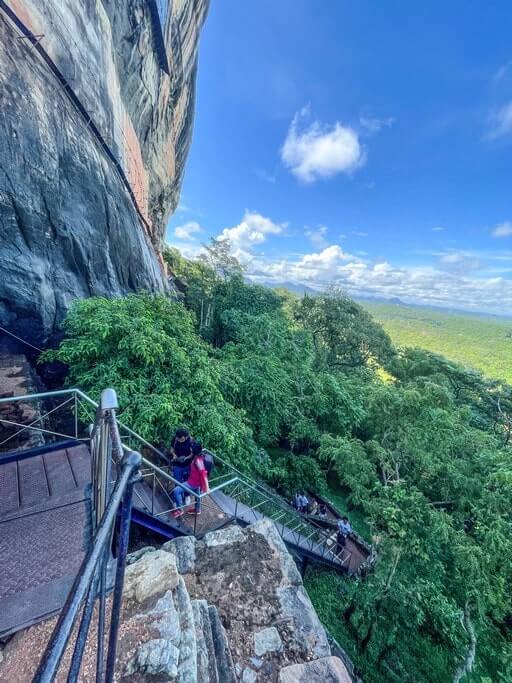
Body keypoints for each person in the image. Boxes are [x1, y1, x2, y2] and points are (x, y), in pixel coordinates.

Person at [172, 441, 210, 517]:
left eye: (191, 449)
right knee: (197, 494)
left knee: (176, 491)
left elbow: (203, 473)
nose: (190, 449)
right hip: (197, 481)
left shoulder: (198, 461)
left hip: (192, 482)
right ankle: (197, 510)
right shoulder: (200, 455)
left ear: (194, 452)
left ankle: (180, 510)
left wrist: (207, 488)